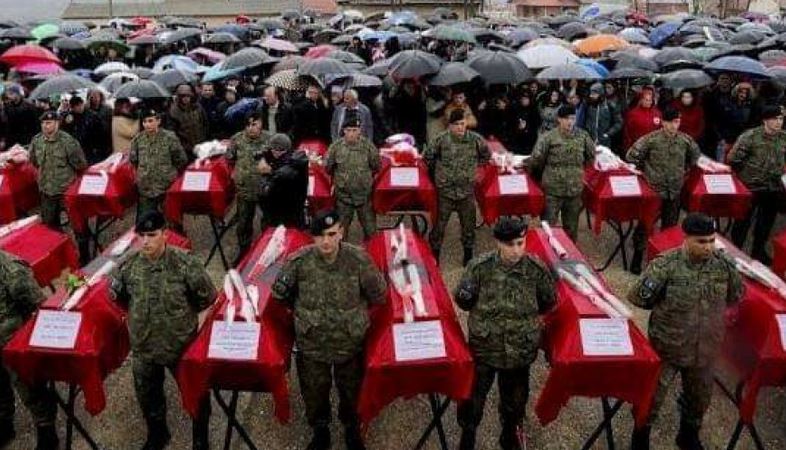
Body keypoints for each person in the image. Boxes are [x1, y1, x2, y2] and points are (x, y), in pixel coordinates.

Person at [272, 210, 386, 450]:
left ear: (341, 233)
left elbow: (378, 295)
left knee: (352, 390)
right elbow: (280, 296)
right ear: (312, 236)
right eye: (320, 235)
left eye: (331, 234)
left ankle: (352, 429)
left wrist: (354, 319)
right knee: (314, 391)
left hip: (349, 343)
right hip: (312, 345)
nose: (326, 241)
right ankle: (320, 430)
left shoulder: (359, 260)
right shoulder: (298, 262)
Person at [627, 213, 743, 450]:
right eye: (701, 241)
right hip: (668, 347)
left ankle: (688, 437)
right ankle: (640, 438)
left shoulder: (725, 266)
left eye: (712, 240)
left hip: (705, 350)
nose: (708, 247)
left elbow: (735, 296)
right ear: (687, 239)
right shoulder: (666, 265)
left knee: (699, 400)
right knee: (651, 399)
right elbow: (638, 297)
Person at [109, 210, 216, 450]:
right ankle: (158, 435)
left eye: (152, 235)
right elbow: (122, 300)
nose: (146, 241)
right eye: (142, 235)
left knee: (196, 394)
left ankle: (200, 439)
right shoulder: (128, 266)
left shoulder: (185, 264)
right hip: (144, 348)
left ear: (165, 234)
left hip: (180, 346)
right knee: (148, 396)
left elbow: (207, 299)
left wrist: (190, 330)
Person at [454, 217, 556, 450]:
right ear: (498, 243)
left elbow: (547, 302)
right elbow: (463, 300)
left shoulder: (536, 270)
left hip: (519, 351)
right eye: (510, 244)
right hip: (485, 348)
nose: (516, 250)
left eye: (521, 243)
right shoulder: (479, 268)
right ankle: (468, 433)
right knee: (472, 398)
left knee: (515, 403)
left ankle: (509, 435)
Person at [626, 106, 701, 274]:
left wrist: (683, 172)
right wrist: (644, 171)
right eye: (671, 122)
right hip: (654, 191)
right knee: (646, 225)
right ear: (663, 122)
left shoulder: (685, 140)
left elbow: (695, 158)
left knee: (670, 227)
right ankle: (638, 255)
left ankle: (664, 261)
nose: (675, 125)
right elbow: (631, 156)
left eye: (677, 122)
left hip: (674, 191)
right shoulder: (651, 139)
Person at [0, 250, 59, 450]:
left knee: (27, 384)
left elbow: (36, 301)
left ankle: (46, 427)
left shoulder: (9, 267)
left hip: (12, 340)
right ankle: (4, 421)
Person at [424, 109, 490, 265]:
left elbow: (486, 156)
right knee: (438, 227)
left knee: (468, 227)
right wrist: (439, 175)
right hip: (445, 193)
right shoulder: (440, 140)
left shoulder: (476, 140)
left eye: (462, 123)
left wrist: (472, 171)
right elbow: (428, 157)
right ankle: (435, 256)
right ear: (450, 125)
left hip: (466, 192)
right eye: (456, 124)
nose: (460, 127)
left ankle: (468, 255)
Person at [28, 110, 91, 264]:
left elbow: (80, 164)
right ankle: (61, 258)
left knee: (78, 226)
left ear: (57, 124)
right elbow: (34, 161)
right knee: (50, 228)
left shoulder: (67, 142)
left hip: (66, 191)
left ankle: (85, 258)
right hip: (47, 191)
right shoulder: (37, 141)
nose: (45, 126)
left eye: (49, 123)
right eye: (43, 123)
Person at [527, 105, 595, 243]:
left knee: (571, 229)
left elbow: (591, 158)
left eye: (573, 118)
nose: (570, 122)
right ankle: (547, 254)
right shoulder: (548, 137)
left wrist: (575, 172)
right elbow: (537, 160)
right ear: (559, 119)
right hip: (552, 191)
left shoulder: (583, 136)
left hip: (574, 191)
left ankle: (570, 254)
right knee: (548, 229)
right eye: (566, 118)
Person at [727, 104, 786, 263]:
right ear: (765, 120)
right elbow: (733, 159)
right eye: (775, 119)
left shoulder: (783, 138)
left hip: (773, 188)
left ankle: (758, 252)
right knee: (742, 222)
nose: (779, 122)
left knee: (765, 225)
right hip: (750, 187)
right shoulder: (751, 137)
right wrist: (746, 176)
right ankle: (736, 252)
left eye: (781, 119)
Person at [226, 112, 273, 262]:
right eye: (248, 125)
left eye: (254, 124)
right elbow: (230, 158)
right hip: (244, 189)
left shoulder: (270, 139)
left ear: (261, 124)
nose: (251, 128)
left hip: (264, 189)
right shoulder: (237, 139)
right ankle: (244, 252)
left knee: (267, 221)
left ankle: (266, 252)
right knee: (244, 222)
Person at [325, 115, 381, 240]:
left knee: (371, 232)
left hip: (364, 197)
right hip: (343, 197)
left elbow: (376, 166)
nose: (351, 133)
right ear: (343, 131)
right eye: (348, 130)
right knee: (340, 233)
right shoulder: (335, 147)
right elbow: (328, 167)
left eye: (354, 130)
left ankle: (371, 251)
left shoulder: (368, 147)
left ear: (359, 131)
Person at [129, 108, 189, 216]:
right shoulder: (138, 139)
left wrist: (168, 173)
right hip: (146, 188)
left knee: (170, 218)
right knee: (145, 221)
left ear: (158, 121)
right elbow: (134, 160)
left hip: (166, 187)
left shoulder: (169, 138)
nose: (147, 124)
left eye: (150, 121)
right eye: (144, 121)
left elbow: (181, 159)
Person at [256, 133, 308, 229]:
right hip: (293, 212)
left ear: (278, 151)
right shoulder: (294, 160)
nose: (272, 152)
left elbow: (265, 192)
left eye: (273, 150)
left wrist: (267, 173)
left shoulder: (285, 172)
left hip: (282, 217)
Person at [166, 83, 209, 158]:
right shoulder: (173, 112)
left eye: (188, 96)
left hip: (201, 145)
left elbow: (205, 123)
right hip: (186, 149)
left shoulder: (198, 107)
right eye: (183, 96)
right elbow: (172, 132)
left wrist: (205, 140)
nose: (186, 98)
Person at [578, 82, 622, 148]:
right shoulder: (588, 105)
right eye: (591, 93)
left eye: (594, 94)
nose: (591, 96)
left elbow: (618, 123)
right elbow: (582, 122)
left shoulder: (610, 106)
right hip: (590, 141)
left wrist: (608, 134)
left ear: (601, 94)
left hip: (604, 142)